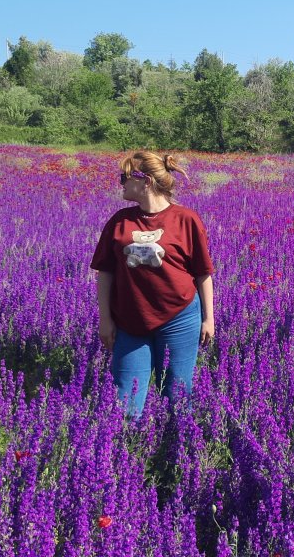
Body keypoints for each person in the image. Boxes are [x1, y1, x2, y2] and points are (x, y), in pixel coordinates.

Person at [91, 151, 215, 417]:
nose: (121, 183)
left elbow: (203, 273)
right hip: (129, 321)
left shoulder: (186, 219)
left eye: (124, 177)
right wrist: (105, 320)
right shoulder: (119, 221)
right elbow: (105, 272)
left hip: (180, 318)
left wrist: (209, 319)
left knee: (176, 396)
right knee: (125, 402)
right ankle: (128, 443)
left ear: (145, 181)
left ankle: (174, 442)